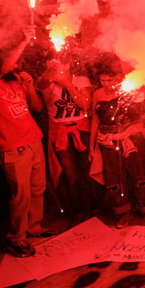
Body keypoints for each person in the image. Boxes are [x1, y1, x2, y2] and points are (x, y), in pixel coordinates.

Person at [0, 26, 50, 257]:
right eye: (13, 63)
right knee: (20, 195)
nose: (16, 66)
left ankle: (34, 227)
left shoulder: (16, 82)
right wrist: (24, 40)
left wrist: (30, 87)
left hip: (33, 140)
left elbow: (37, 107)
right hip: (12, 147)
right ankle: (16, 238)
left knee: (37, 189)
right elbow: (3, 67)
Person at [89, 57, 145, 228]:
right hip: (108, 139)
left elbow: (143, 111)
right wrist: (91, 147)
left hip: (132, 135)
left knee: (138, 171)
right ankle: (123, 212)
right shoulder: (97, 94)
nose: (106, 84)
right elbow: (95, 120)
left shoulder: (129, 90)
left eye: (109, 80)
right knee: (114, 176)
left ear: (118, 78)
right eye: (102, 80)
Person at [36, 55, 93, 224]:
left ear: (68, 64)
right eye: (52, 62)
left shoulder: (80, 80)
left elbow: (85, 105)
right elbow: (41, 84)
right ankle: (78, 212)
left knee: (90, 171)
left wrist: (67, 83)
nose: (58, 65)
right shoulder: (46, 82)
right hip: (60, 133)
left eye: (61, 62)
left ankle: (95, 209)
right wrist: (51, 73)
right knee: (71, 175)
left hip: (82, 130)